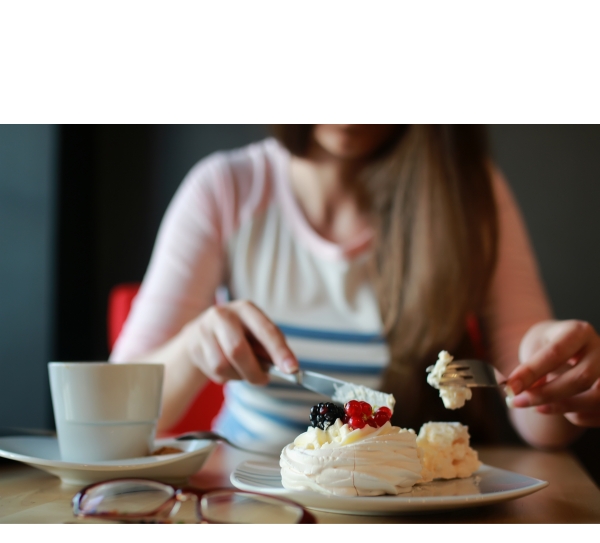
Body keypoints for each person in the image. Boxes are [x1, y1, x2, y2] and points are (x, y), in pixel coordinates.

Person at [110, 125, 600, 454]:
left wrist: (557, 378)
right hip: (243, 493)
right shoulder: (226, 188)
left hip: (397, 501)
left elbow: (541, 426)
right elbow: (112, 415)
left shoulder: (468, 193)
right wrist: (195, 345)